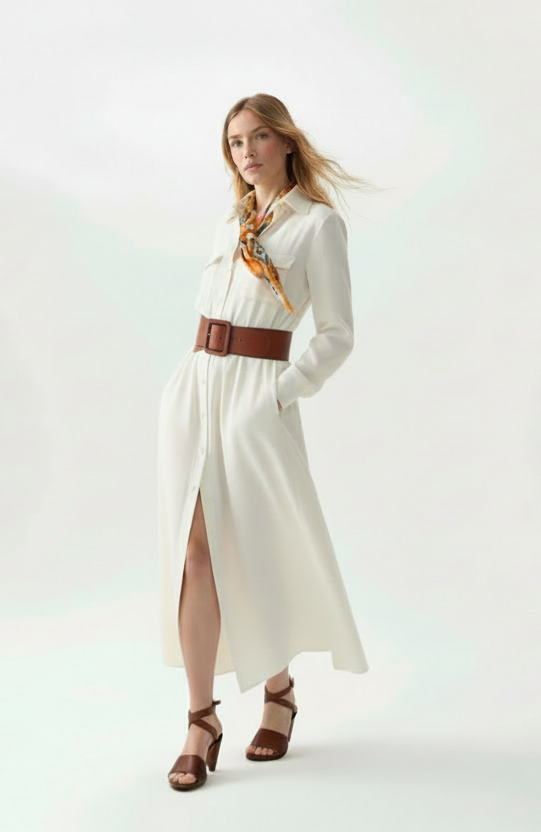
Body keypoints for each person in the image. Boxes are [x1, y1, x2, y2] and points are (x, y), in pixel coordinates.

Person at [159, 93, 373, 791]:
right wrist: (188, 388)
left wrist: (277, 396)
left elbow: (336, 334)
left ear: (285, 141)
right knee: (194, 553)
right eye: (234, 142)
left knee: (253, 550)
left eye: (256, 137)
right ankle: (201, 720)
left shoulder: (318, 225)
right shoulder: (232, 221)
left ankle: (279, 693)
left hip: (256, 398)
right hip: (196, 389)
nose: (245, 151)